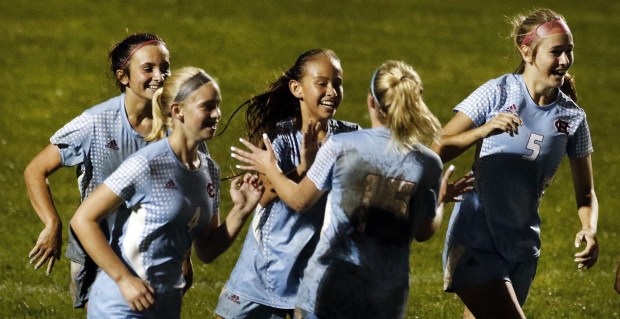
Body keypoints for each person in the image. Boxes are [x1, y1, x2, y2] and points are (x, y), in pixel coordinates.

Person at [232, 60, 472, 319]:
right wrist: (441, 203)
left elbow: (298, 201)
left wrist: (271, 168)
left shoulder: (341, 146)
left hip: (327, 287)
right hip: (386, 294)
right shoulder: (428, 162)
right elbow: (424, 232)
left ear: (371, 101)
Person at [432, 8, 599, 318]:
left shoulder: (573, 118)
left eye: (569, 51)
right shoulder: (497, 93)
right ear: (527, 51)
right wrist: (483, 130)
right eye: (556, 52)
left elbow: (586, 193)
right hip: (475, 239)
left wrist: (589, 228)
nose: (564, 60)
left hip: (522, 247)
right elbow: (436, 148)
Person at [70, 67, 263, 318]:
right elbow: (83, 220)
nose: (217, 114)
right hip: (121, 305)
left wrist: (241, 210)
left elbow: (206, 250)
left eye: (218, 105)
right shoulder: (147, 164)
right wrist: (123, 279)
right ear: (177, 111)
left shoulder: (209, 171)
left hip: (166, 305)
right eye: (207, 106)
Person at [22, 33, 197, 309]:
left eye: (165, 68)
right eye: (148, 68)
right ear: (123, 77)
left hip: (155, 252)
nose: (160, 76)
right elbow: (35, 170)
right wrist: (52, 223)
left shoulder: (178, 129)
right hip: (95, 251)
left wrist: (185, 256)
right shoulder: (95, 123)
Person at [215, 49, 360, 318]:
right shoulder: (280, 137)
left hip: (317, 271)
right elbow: (266, 195)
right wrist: (305, 167)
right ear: (297, 88)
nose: (332, 91)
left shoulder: (350, 136)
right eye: (322, 83)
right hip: (265, 268)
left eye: (337, 83)